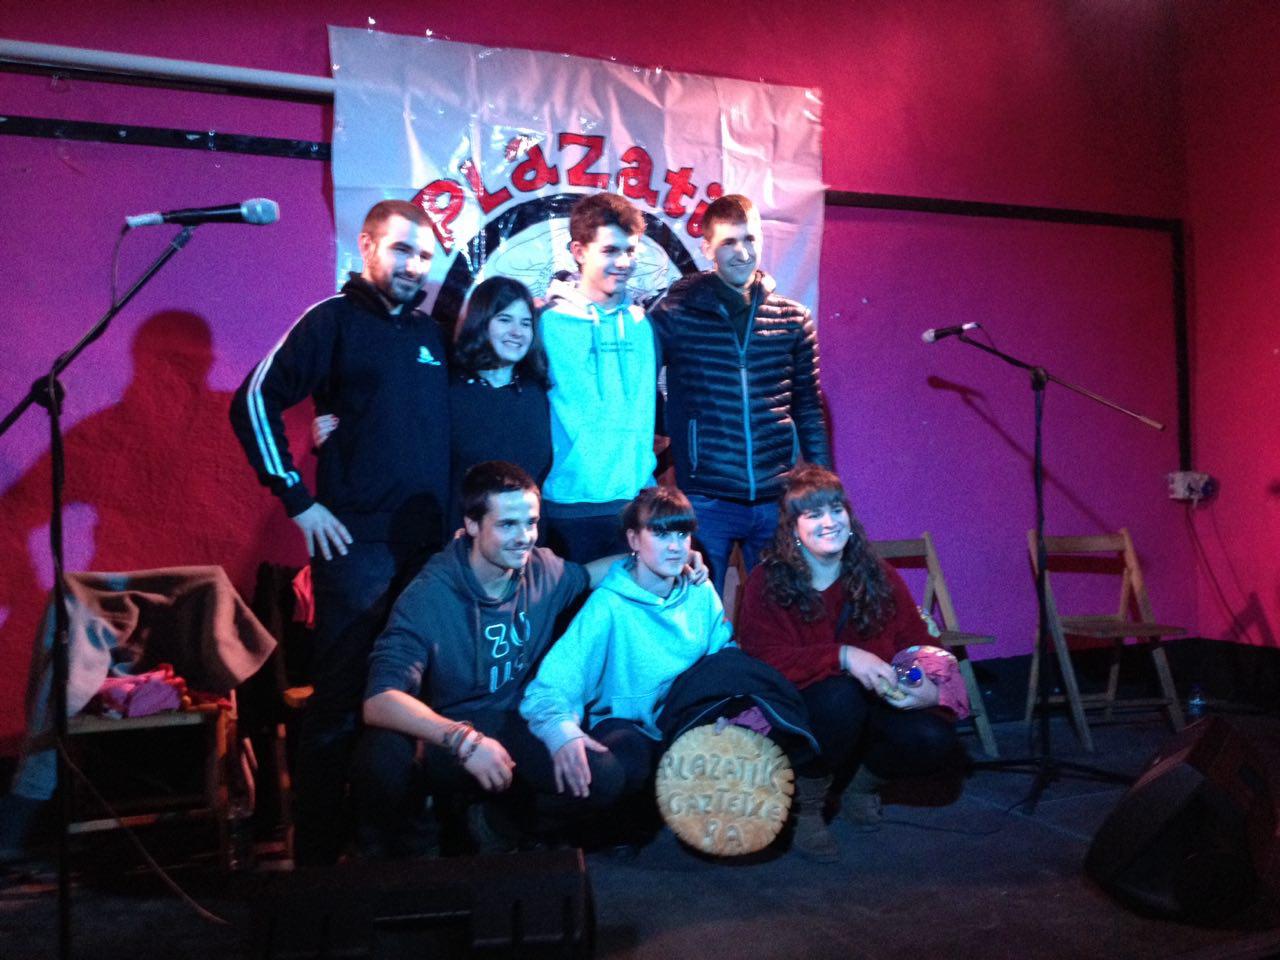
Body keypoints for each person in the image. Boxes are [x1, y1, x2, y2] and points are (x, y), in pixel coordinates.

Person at [229, 199, 449, 864]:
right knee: (342, 702)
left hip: (431, 550)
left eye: (425, 255)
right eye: (402, 249)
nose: (414, 266)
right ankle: (318, 864)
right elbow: (253, 399)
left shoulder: (432, 334)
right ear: (368, 246)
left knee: (420, 699)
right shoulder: (331, 320)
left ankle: (396, 847)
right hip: (357, 552)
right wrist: (297, 500)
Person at [354, 463, 706, 856]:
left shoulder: (540, 568)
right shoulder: (430, 593)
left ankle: (498, 826)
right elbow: (379, 700)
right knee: (381, 756)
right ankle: (418, 859)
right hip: (447, 732)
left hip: (516, 722)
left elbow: (591, 574)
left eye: (531, 523)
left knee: (602, 776)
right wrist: (464, 740)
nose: (524, 537)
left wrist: (673, 559)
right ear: (472, 525)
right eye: (508, 524)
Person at [520, 485, 831, 858]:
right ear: (633, 539)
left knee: (767, 715)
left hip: (685, 718)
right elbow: (551, 686)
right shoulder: (608, 606)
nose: (674, 546)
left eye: (682, 534)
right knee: (622, 764)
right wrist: (563, 732)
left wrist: (731, 712)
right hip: (631, 724)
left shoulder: (699, 591)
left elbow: (724, 661)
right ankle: (564, 823)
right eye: (661, 533)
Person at [735, 465, 962, 834]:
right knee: (841, 695)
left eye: (836, 510)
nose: (829, 522)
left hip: (872, 705)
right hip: (802, 713)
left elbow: (917, 641)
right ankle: (807, 805)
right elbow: (763, 661)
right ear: (793, 528)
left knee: (933, 737)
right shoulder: (767, 580)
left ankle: (859, 786)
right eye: (813, 514)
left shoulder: (877, 574)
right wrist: (843, 655)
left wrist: (924, 685)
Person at [649, 194, 830, 593]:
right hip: (705, 499)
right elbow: (641, 389)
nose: (743, 252)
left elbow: (808, 407)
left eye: (750, 239)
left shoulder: (793, 319)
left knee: (780, 609)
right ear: (707, 248)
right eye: (729, 241)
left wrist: (823, 485)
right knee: (699, 610)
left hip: (776, 497)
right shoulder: (674, 314)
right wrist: (678, 432)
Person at [313, 276, 553, 529]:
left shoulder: (538, 391)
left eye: (526, 323)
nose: (517, 332)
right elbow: (388, 425)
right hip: (453, 541)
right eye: (504, 319)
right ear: (481, 322)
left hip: (526, 540)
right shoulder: (445, 388)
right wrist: (336, 433)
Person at [539, 193, 658, 562]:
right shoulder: (547, 324)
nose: (623, 262)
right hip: (567, 507)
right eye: (610, 250)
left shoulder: (643, 325)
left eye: (630, 250)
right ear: (578, 251)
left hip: (636, 505)